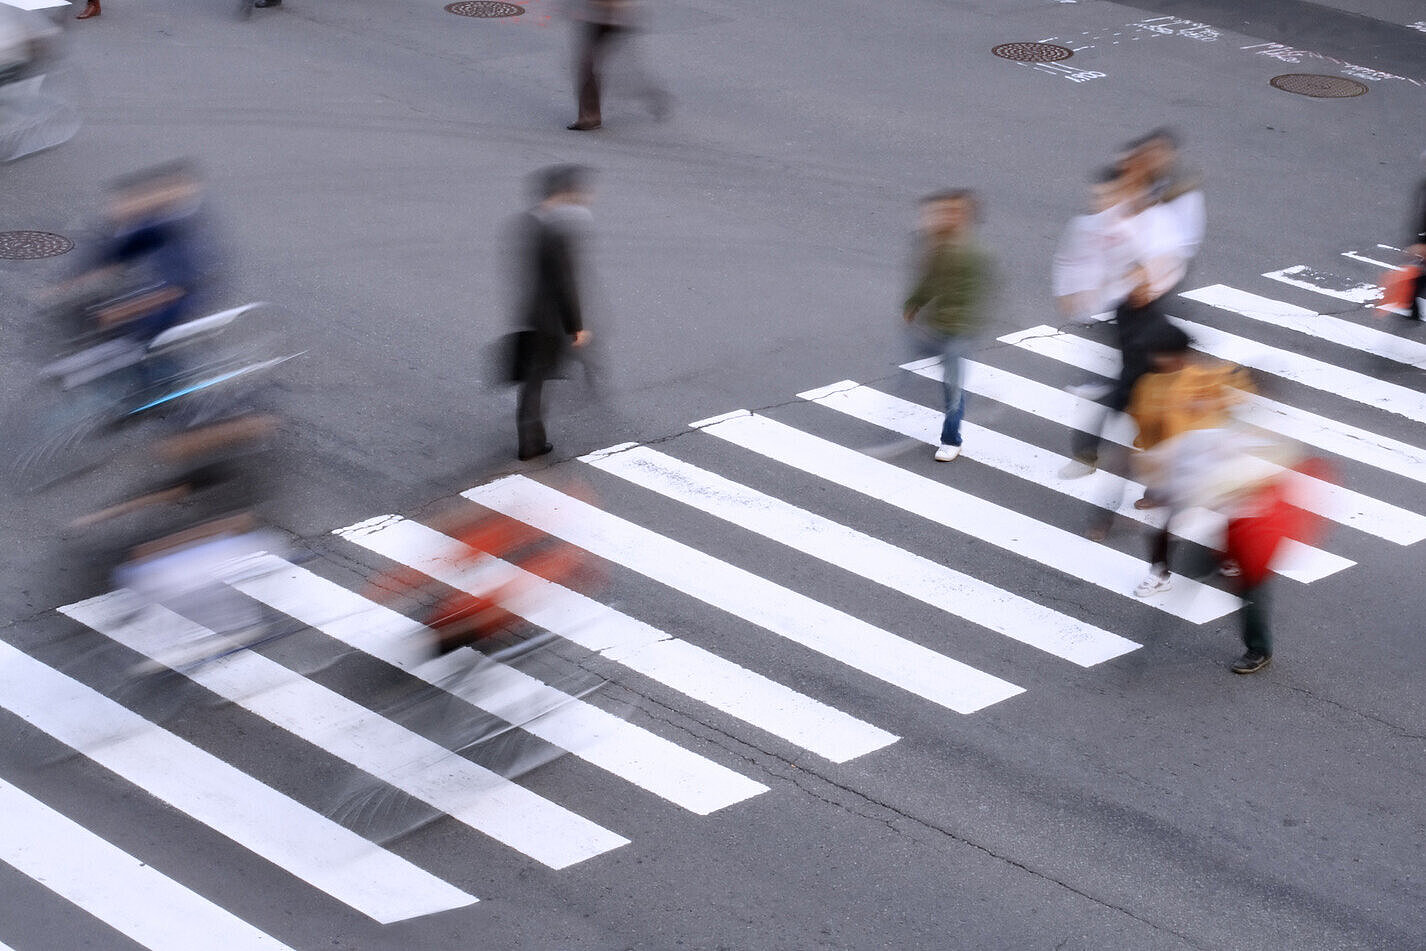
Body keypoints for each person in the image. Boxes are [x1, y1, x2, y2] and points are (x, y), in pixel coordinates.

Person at [1122, 324, 1252, 596]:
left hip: (1212, 459)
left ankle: (1230, 558)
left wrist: (1213, 404)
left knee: (1230, 512)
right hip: (1181, 466)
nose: (1154, 358)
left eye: (1159, 353)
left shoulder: (1204, 376)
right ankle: (1161, 573)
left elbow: (1240, 387)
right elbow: (1143, 424)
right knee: (1168, 527)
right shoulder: (1149, 384)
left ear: (1176, 355)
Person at [901, 189, 995, 462]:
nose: (947, 216)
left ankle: (951, 440)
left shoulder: (975, 253)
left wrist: (966, 323)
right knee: (914, 370)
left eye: (955, 212)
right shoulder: (939, 246)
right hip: (935, 327)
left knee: (952, 388)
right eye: (946, 211)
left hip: (959, 332)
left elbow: (984, 295)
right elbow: (930, 280)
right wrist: (914, 303)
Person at [511, 164, 594, 461]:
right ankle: (531, 442)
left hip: (531, 311)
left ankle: (530, 438)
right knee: (538, 380)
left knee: (532, 380)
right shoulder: (557, 233)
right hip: (549, 319)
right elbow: (566, 284)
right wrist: (576, 327)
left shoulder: (530, 221)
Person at [566, 0, 668, 131]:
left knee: (588, 65)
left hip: (603, 16)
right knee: (613, 64)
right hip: (614, 15)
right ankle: (652, 96)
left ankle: (590, 116)